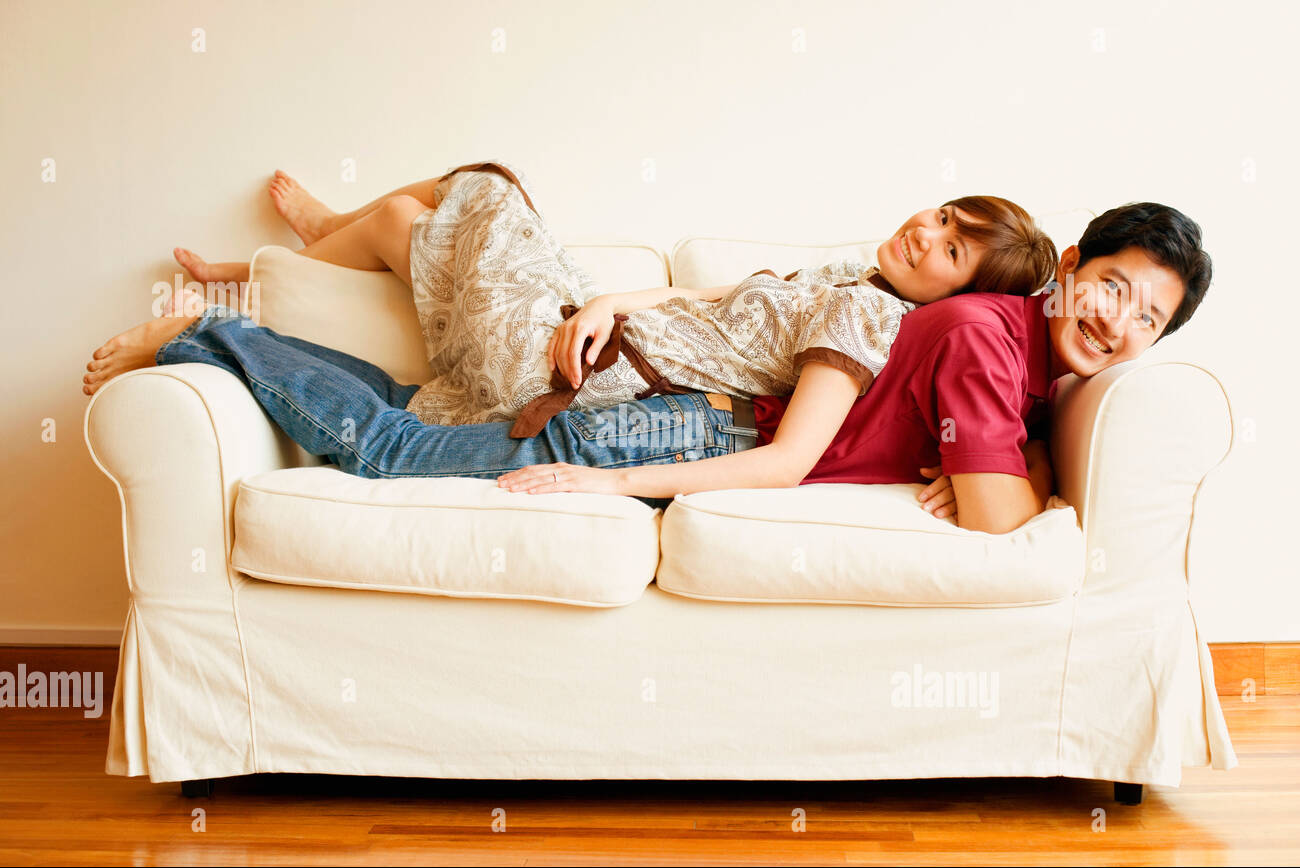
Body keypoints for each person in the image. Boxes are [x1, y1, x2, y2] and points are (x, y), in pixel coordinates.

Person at [80, 202, 1210, 535]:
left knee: (398, 426)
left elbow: (992, 494)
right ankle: (206, 333)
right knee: (386, 447)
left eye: (1147, 322)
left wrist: (1004, 465)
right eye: (1111, 288)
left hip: (675, 421)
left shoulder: (1014, 356)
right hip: (675, 432)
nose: (1118, 326)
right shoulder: (975, 331)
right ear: (1064, 270)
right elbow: (993, 519)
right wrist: (612, 486)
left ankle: (225, 325)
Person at [84, 162, 1057, 448]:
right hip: (593, 336)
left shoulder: (872, 321)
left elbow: (802, 447)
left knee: (487, 185)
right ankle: (272, 262)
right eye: (939, 215)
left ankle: (232, 296)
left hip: (574, 379)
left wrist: (603, 332)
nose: (926, 233)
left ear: (962, 290)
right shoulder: (848, 277)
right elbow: (698, 291)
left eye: (954, 247)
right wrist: (612, 302)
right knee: (396, 217)